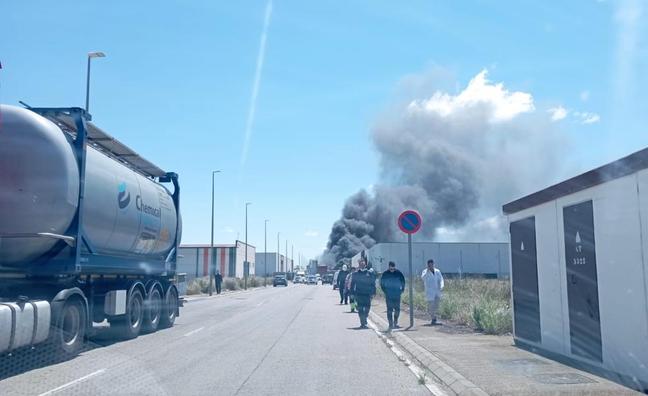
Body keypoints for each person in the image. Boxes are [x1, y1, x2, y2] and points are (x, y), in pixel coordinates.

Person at [350, 259, 376, 329]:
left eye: (363, 264)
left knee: (367, 308)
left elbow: (373, 283)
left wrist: (373, 292)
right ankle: (362, 323)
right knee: (360, 309)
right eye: (360, 264)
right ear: (359, 265)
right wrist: (352, 293)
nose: (362, 265)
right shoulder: (355, 274)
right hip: (359, 294)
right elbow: (352, 284)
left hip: (367, 294)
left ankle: (365, 318)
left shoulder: (369, 273)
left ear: (365, 265)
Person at [380, 261, 405, 329]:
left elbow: (403, 281)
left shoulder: (398, 273)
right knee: (389, 310)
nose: (392, 270)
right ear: (389, 267)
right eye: (391, 269)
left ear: (395, 267)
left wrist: (402, 289)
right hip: (389, 295)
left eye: (393, 269)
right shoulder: (385, 274)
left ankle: (395, 322)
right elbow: (382, 283)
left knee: (397, 309)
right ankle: (390, 323)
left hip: (397, 294)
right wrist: (385, 291)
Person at [421, 259, 444, 325]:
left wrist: (441, 286)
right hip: (429, 291)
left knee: (436, 305)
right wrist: (427, 272)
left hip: (437, 291)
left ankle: (434, 317)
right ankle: (433, 318)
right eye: (429, 265)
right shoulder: (425, 272)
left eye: (432, 265)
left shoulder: (437, 271)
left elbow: (441, 279)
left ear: (433, 264)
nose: (431, 266)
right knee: (431, 306)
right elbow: (423, 278)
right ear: (427, 265)